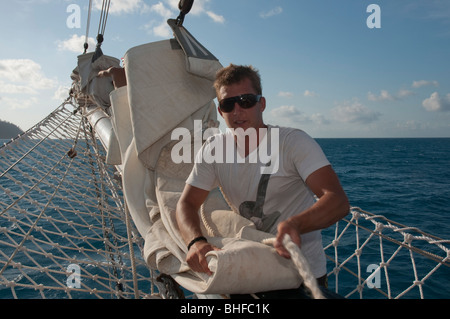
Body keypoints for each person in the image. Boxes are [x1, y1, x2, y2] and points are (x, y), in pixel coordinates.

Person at [175, 64, 349, 297]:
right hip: (250, 268)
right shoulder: (214, 149)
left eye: (246, 100)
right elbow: (187, 203)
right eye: (228, 104)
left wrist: (296, 225)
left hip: (300, 274)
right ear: (220, 111)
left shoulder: (292, 142)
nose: (237, 111)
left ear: (262, 103)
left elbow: (337, 201)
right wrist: (195, 242)